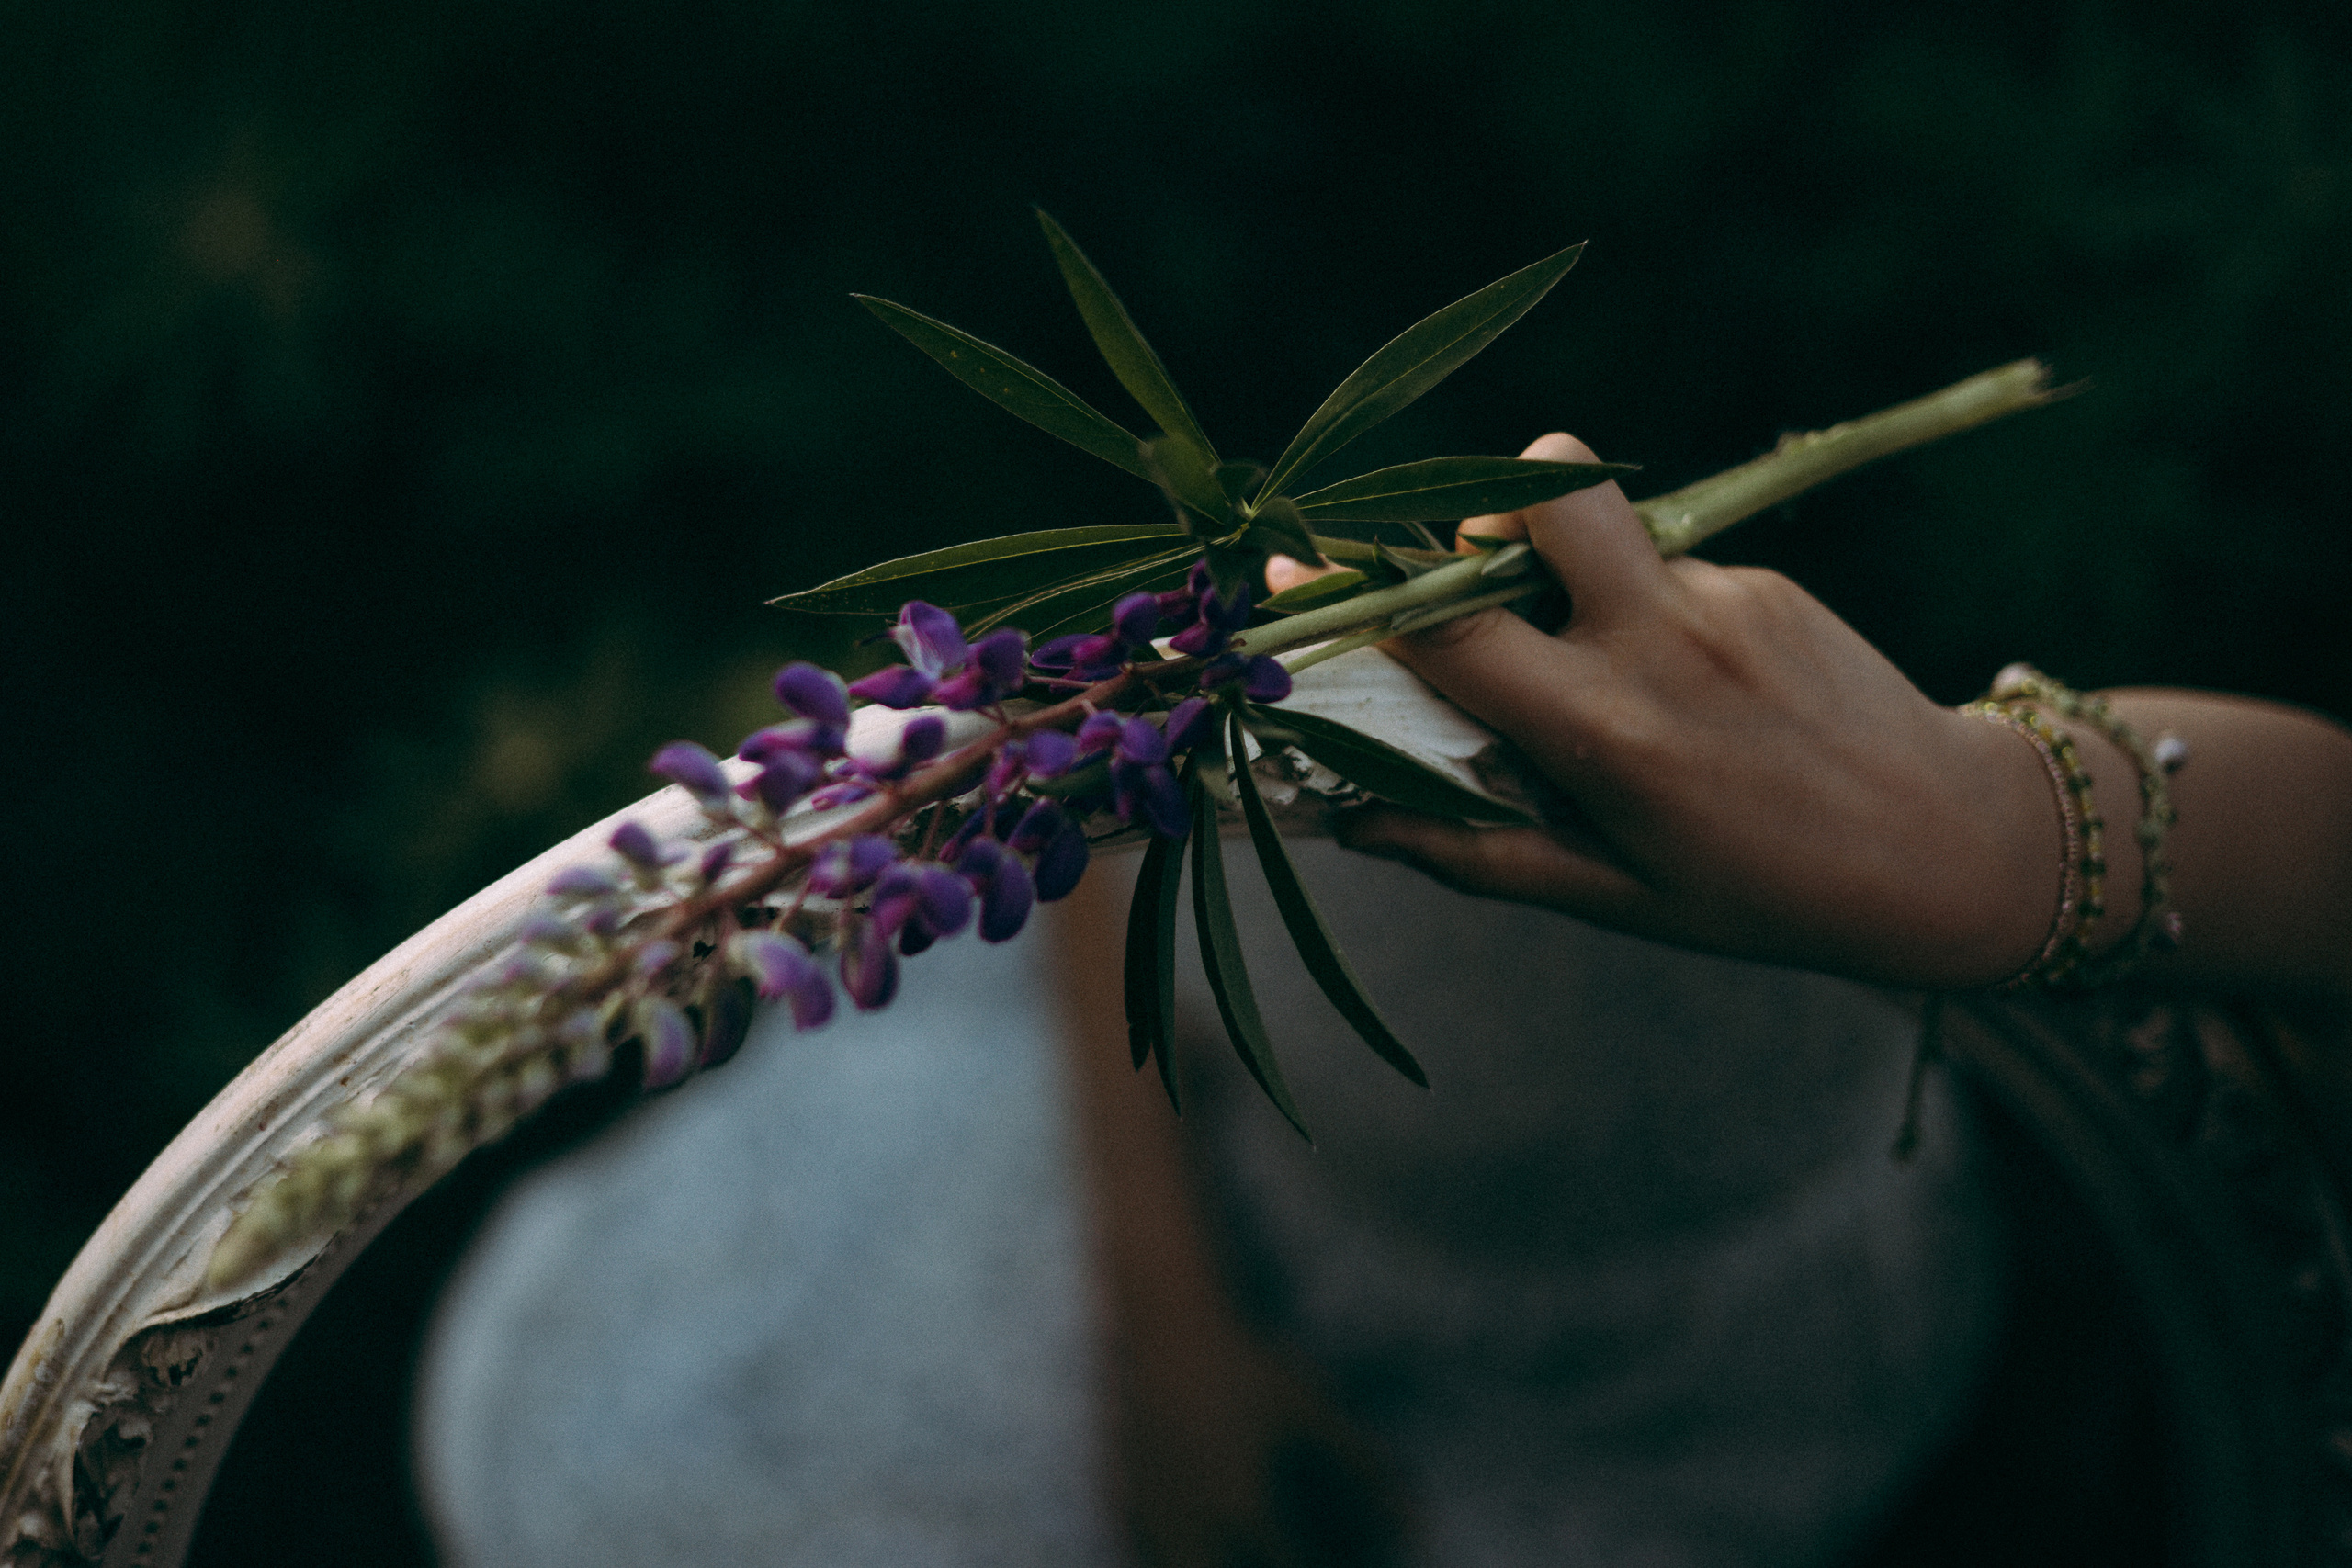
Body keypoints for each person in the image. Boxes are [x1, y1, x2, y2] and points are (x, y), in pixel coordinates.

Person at [1061, 434, 2352, 1568]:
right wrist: (1166, 1301)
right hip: (1183, 1173)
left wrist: (2006, 844)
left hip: (1683, 1400)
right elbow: (1075, 811)